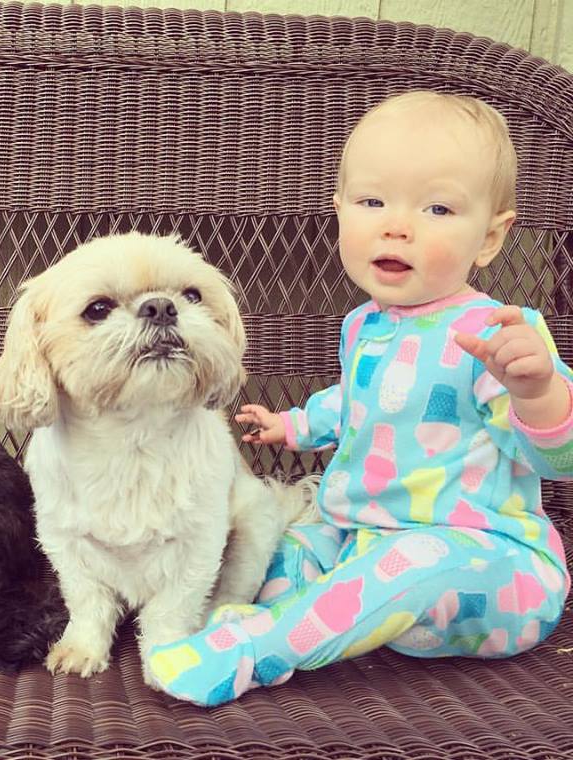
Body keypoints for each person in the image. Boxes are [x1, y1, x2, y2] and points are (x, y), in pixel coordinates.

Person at [146, 91, 573, 706]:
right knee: (284, 552)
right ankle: (257, 616)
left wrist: (538, 392)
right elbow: (356, 404)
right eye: (372, 201)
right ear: (340, 210)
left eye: (437, 207)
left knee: (410, 563)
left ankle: (255, 652)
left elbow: (556, 461)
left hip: (487, 567)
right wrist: (291, 426)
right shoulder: (363, 326)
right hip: (360, 543)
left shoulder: (501, 337)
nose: (396, 224)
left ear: (489, 237)